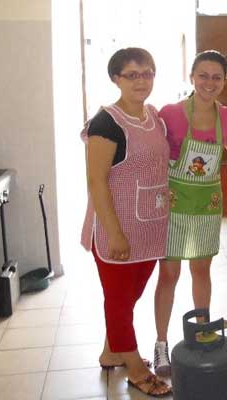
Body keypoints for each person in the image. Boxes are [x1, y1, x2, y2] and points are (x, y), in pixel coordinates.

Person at [153, 50, 227, 375]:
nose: (209, 82)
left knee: (201, 271)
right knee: (168, 275)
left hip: (207, 206)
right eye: (203, 75)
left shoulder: (226, 117)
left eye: (216, 77)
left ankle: (202, 329)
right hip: (173, 203)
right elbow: (153, 156)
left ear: (225, 81)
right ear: (191, 76)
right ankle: (160, 345)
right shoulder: (169, 114)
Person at [80, 47, 172, 397]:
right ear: (115, 78)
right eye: (132, 74)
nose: (141, 80)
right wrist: (115, 233)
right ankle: (135, 369)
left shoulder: (153, 116)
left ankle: (111, 351)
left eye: (147, 72)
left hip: (149, 225)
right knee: (118, 301)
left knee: (128, 297)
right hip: (115, 227)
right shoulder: (106, 123)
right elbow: (96, 181)